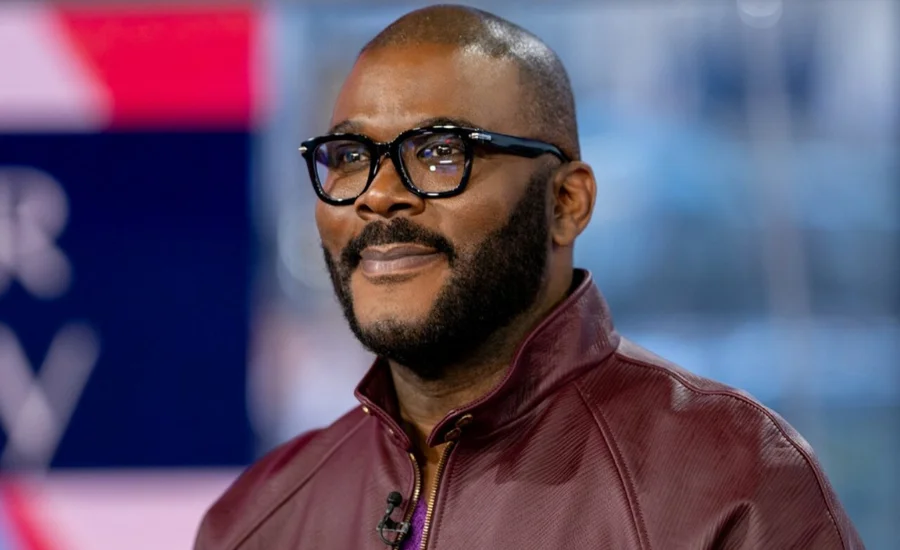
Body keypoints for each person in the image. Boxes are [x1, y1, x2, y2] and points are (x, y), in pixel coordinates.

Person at [195, 5, 864, 549]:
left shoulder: (733, 483)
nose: (377, 195)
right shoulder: (258, 519)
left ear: (566, 203)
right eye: (348, 155)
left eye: (439, 152)